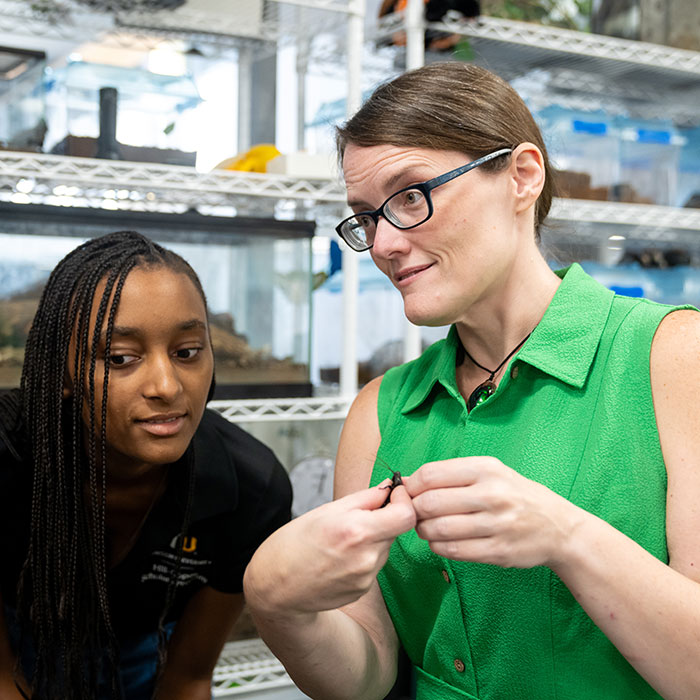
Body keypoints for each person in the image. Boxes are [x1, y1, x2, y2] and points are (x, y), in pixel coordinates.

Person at [243, 62, 700, 700]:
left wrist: (566, 537)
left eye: (410, 195)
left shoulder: (674, 357)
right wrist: (278, 605)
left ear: (521, 176)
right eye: (367, 216)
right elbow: (368, 674)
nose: (383, 244)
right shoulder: (382, 410)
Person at [0, 231, 292, 700]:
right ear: (63, 372)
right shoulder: (7, 458)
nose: (167, 386)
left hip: (145, 652)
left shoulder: (251, 488)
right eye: (121, 358)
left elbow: (188, 677)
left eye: (187, 352)